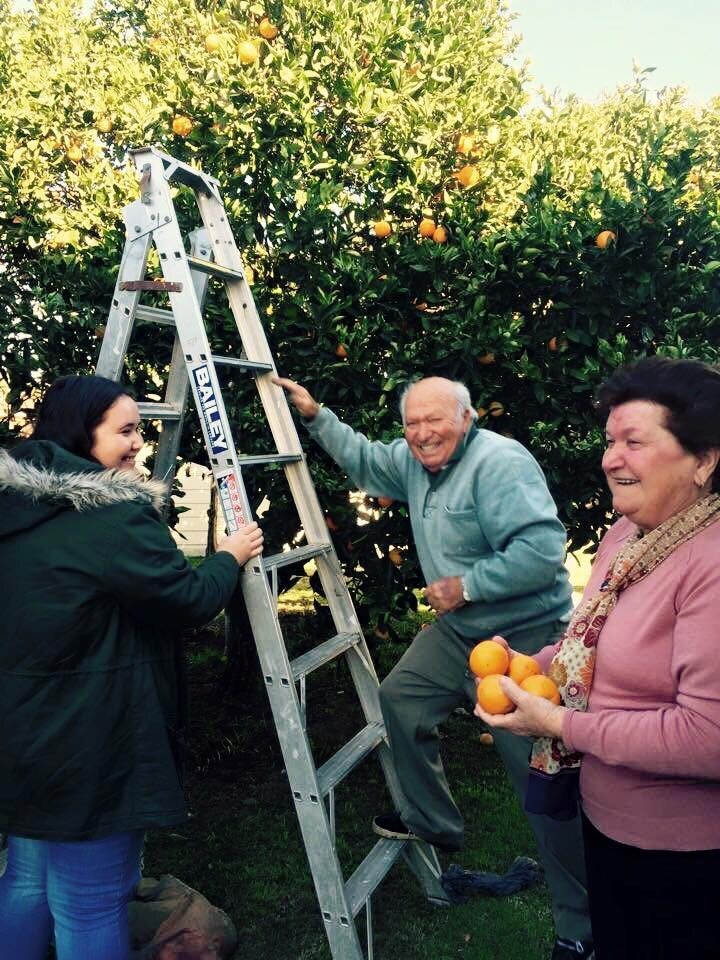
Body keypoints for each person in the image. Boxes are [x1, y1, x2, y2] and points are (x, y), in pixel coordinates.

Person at [273, 374, 593, 960]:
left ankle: (582, 922)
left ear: (467, 419)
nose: (421, 434)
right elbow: (367, 460)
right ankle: (434, 822)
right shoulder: (415, 462)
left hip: (525, 640)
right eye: (412, 423)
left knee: (541, 785)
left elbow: (542, 551)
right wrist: (316, 416)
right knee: (401, 699)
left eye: (434, 420)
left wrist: (468, 586)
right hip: (460, 633)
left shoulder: (500, 465)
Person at [0, 374, 263, 960]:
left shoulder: (13, 507)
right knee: (90, 900)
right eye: (126, 431)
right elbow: (186, 601)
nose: (139, 443)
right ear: (82, 433)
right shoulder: (112, 516)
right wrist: (228, 556)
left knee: (27, 879)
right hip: (92, 742)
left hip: (22, 733)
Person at [474, 356, 720, 960]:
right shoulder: (627, 536)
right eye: (610, 441)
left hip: (687, 860)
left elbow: (708, 737)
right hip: (609, 826)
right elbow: (591, 641)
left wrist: (561, 724)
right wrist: (533, 664)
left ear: (704, 460)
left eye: (634, 442)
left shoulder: (711, 565)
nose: (611, 458)